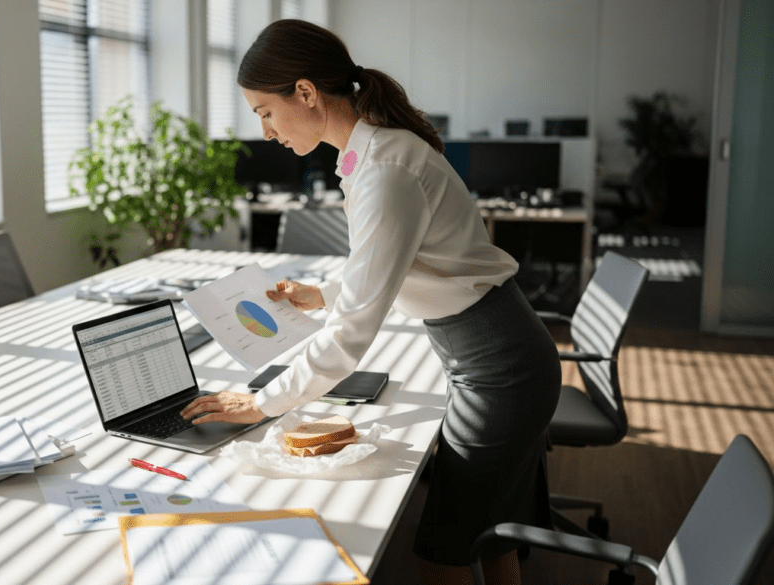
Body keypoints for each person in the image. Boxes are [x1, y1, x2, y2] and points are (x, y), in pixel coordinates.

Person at [180, 19, 560, 584]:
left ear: (306, 93)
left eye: (264, 111)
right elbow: (401, 262)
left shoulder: (385, 166)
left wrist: (263, 403)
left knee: (442, 554)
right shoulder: (371, 155)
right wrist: (325, 292)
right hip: (494, 353)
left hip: (499, 367)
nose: (264, 130)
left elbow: (351, 332)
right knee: (485, 534)